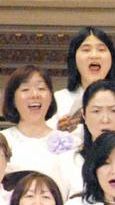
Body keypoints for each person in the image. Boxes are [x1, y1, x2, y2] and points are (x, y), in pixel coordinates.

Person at [1, 65, 74, 195]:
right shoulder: (3, 140)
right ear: (12, 99)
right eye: (25, 89)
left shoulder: (67, 142)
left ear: (51, 97)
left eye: (41, 88)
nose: (35, 95)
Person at [51, 27, 115, 126]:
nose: (94, 55)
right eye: (86, 50)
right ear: (74, 59)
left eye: (101, 50)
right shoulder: (58, 100)